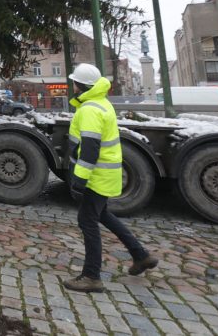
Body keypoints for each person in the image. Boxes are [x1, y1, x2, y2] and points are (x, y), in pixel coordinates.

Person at [63, 63, 158, 293]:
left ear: (80, 85)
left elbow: (89, 149)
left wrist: (79, 179)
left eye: (74, 82)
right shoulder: (102, 104)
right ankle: (141, 255)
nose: (72, 85)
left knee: (87, 221)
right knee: (102, 214)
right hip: (106, 175)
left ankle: (91, 276)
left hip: (96, 177)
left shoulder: (89, 110)